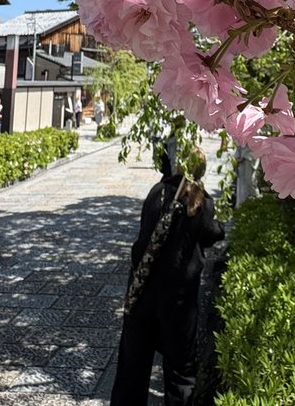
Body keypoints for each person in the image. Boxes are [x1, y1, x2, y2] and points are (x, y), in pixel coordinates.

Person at [110, 147, 225, 406]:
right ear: (202, 171)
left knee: (132, 369)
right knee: (181, 372)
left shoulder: (157, 192)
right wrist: (221, 228)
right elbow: (211, 233)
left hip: (143, 292)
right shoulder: (203, 203)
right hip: (179, 300)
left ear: (178, 165)